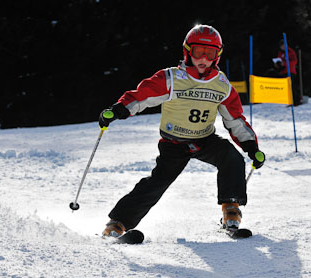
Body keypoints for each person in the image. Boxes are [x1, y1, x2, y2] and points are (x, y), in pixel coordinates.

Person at [98, 25, 265, 237]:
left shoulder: (222, 85)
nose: (203, 58)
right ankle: (118, 222)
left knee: (231, 157)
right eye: (198, 52)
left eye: (210, 53)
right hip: (174, 143)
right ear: (187, 52)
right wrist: (119, 109)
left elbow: (235, 119)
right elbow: (142, 95)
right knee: (158, 182)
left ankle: (231, 209)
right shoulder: (172, 78)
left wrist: (251, 146)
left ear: (217, 55)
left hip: (205, 139)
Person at [273, 39, 302, 106]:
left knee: (291, 86)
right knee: (286, 87)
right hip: (283, 72)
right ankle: (290, 101)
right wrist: (277, 64)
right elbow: (279, 61)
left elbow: (294, 62)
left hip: (290, 71)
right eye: (281, 46)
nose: (282, 47)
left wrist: (285, 63)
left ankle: (297, 100)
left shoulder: (290, 52)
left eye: (283, 45)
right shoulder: (280, 53)